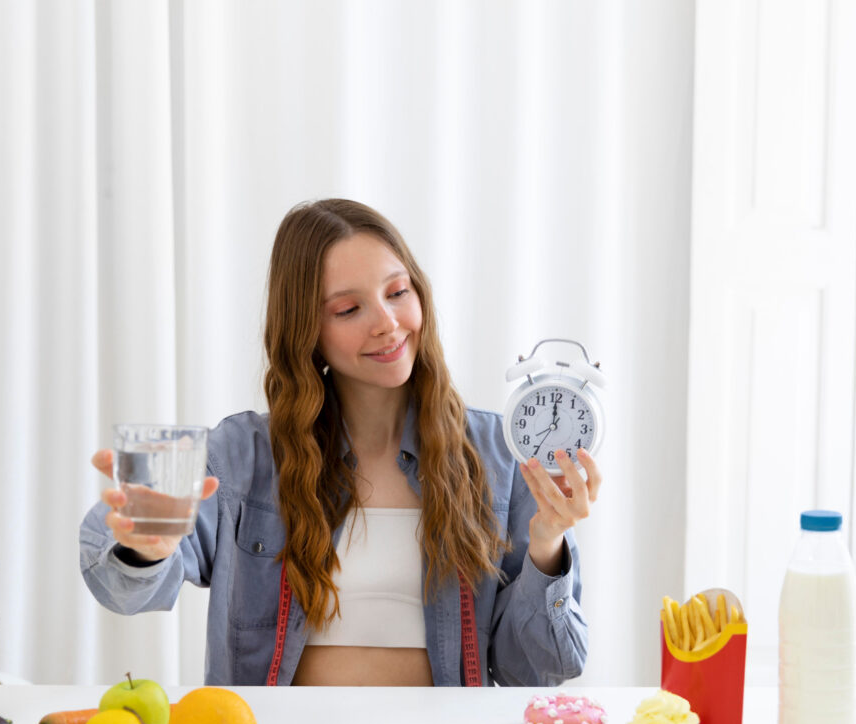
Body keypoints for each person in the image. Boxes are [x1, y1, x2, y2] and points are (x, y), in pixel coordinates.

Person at [80, 198, 601, 686]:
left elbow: (540, 670)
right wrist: (145, 548)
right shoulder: (245, 456)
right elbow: (121, 589)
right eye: (349, 310)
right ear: (306, 331)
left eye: (398, 293)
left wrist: (547, 543)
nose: (388, 324)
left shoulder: (497, 457)